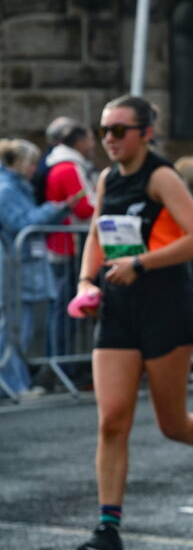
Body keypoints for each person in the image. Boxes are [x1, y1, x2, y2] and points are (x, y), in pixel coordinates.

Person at [71, 95, 193, 550]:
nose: (109, 138)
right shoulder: (109, 177)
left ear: (145, 133)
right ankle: (108, 531)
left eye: (119, 130)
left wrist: (140, 262)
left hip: (165, 308)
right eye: (104, 129)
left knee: (172, 423)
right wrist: (86, 280)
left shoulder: (161, 176)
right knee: (112, 420)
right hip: (118, 308)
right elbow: (96, 231)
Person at [0, 139, 74, 399]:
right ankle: (15, 386)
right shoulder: (7, 190)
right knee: (13, 329)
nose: (35, 169)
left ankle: (16, 384)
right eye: (31, 163)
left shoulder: (17, 188)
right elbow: (21, 224)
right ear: (18, 162)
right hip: (12, 270)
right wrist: (52, 208)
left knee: (19, 329)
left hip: (20, 268)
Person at [42, 121, 97, 367]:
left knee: (63, 308)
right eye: (89, 139)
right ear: (79, 142)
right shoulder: (69, 168)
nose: (93, 144)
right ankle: (63, 365)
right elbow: (84, 208)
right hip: (67, 244)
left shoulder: (64, 165)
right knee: (65, 308)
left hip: (64, 243)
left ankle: (63, 363)